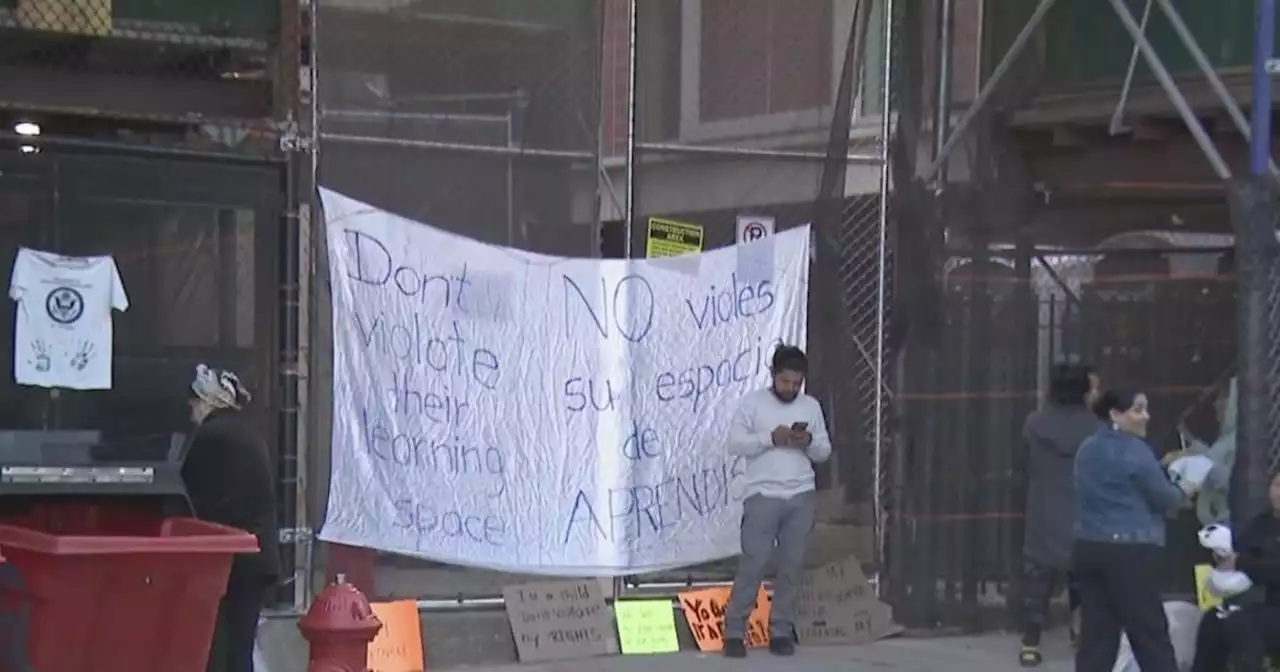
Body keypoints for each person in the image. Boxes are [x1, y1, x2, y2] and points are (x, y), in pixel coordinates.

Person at [1073, 387, 1199, 672]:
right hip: (1130, 549)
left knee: (1097, 635)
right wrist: (1184, 490)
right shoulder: (1134, 449)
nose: (1146, 416)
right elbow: (1164, 497)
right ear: (1116, 414)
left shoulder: (1087, 448)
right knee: (1149, 632)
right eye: (1137, 409)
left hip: (1089, 545)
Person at [721, 345, 832, 658]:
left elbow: (824, 451)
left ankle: (781, 629)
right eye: (786, 382)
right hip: (762, 495)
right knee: (753, 563)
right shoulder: (752, 404)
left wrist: (807, 441)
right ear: (773, 374)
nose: (791, 389)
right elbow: (734, 444)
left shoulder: (810, 406)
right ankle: (734, 631)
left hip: (801, 494)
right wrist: (771, 438)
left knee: (792, 566)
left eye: (797, 383)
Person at [181, 364, 281, 672]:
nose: (191, 407)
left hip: (228, 562)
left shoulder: (211, 437)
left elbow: (192, 493)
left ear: (209, 401)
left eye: (195, 400)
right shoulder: (248, 434)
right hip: (258, 556)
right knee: (240, 648)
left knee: (219, 652)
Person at [1018, 363, 1100, 667]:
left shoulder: (1034, 424)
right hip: (1084, 510)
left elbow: (1024, 465)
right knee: (1082, 576)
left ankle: (1030, 642)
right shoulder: (1095, 428)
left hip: (1044, 507)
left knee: (1039, 577)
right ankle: (1081, 633)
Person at [1190, 468, 1280, 672]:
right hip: (1263, 607)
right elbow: (1236, 553)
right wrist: (1224, 557)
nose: (1279, 493)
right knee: (1214, 619)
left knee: (1243, 624)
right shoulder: (1261, 523)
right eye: (1277, 485)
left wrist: (1241, 562)